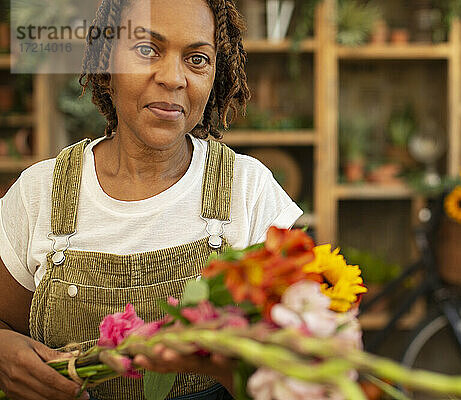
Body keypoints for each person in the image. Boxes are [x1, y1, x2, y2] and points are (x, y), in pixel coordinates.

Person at [0, 0, 303, 399]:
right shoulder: (40, 193)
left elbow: (295, 364)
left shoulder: (250, 193)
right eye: (146, 49)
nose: (174, 78)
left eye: (197, 58)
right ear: (106, 67)